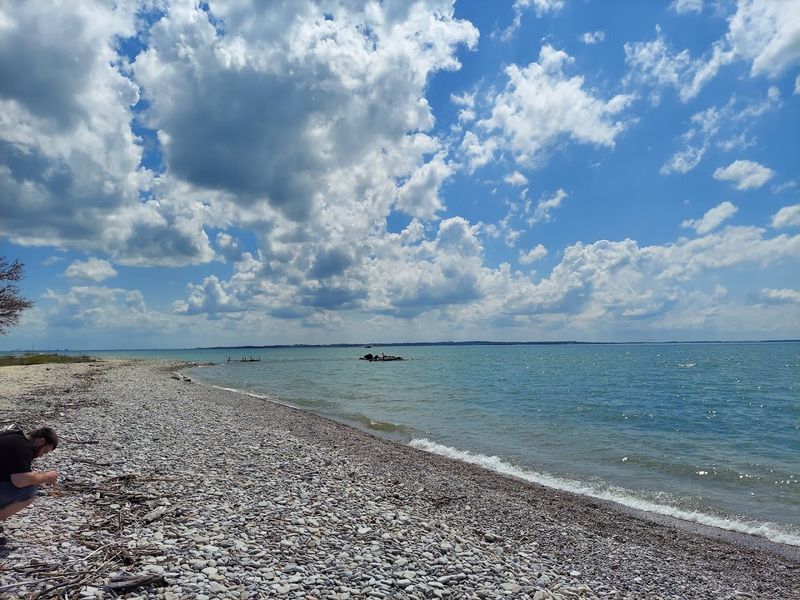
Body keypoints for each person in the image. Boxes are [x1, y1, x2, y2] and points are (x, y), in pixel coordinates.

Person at [0, 427, 59, 525]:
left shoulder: (13, 436)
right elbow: (20, 481)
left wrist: (34, 478)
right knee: (29, 491)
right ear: (41, 441)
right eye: (45, 451)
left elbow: (13, 471)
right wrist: (46, 477)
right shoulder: (24, 448)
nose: (41, 455)